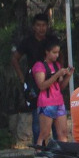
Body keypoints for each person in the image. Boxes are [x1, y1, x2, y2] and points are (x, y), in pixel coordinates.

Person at [13, 13, 63, 143]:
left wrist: (60, 72)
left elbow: (60, 56)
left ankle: (58, 148)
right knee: (37, 118)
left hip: (52, 79)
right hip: (34, 81)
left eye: (44, 25)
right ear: (33, 27)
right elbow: (15, 58)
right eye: (38, 25)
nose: (41, 28)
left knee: (56, 118)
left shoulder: (51, 40)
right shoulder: (27, 41)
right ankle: (39, 148)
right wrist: (22, 78)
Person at [33, 42, 73, 145]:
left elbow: (60, 87)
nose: (57, 55)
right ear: (47, 52)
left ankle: (63, 152)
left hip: (59, 102)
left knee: (63, 133)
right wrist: (56, 75)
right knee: (45, 133)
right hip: (46, 103)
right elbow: (41, 85)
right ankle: (39, 151)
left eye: (58, 52)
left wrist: (68, 76)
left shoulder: (57, 65)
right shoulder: (39, 66)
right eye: (54, 52)